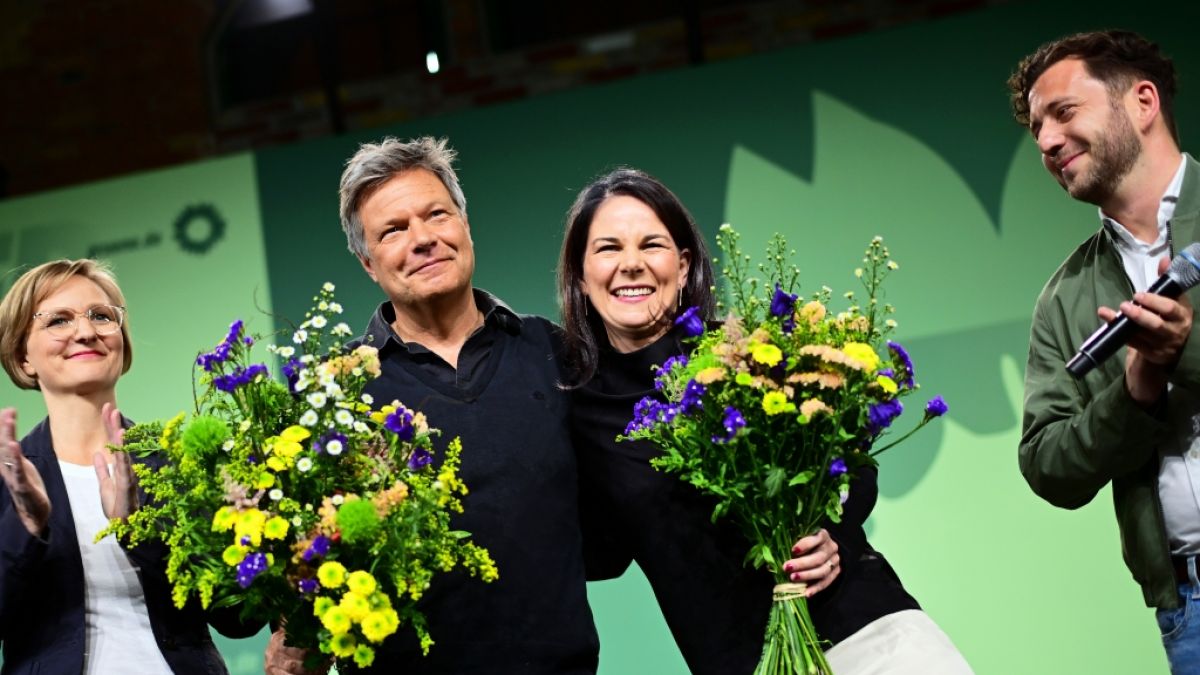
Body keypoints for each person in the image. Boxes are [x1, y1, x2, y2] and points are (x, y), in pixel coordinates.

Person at [557, 168, 972, 674]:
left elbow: (852, 465)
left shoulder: (752, 350)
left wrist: (832, 535)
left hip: (870, 635)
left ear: (684, 265)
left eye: (652, 245)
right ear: (580, 274)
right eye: (607, 248)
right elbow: (602, 554)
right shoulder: (577, 412)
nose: (632, 265)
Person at [265, 137, 598, 675]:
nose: (423, 239)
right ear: (368, 262)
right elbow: (302, 554)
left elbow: (615, 519)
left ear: (465, 226)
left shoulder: (553, 352)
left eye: (436, 215)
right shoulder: (331, 396)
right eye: (393, 231)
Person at [1010, 30, 1200, 673]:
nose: (1046, 141)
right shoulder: (1063, 298)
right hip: (1190, 606)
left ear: (1143, 102)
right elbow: (1047, 464)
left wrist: (1183, 352)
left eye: (1063, 113)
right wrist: (1136, 392)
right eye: (1036, 128)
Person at [0, 259, 257, 674]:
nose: (85, 332)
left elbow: (240, 619)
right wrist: (27, 525)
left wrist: (140, 532)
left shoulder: (182, 465)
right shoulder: (7, 481)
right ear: (22, 356)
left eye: (101, 316)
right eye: (58, 321)